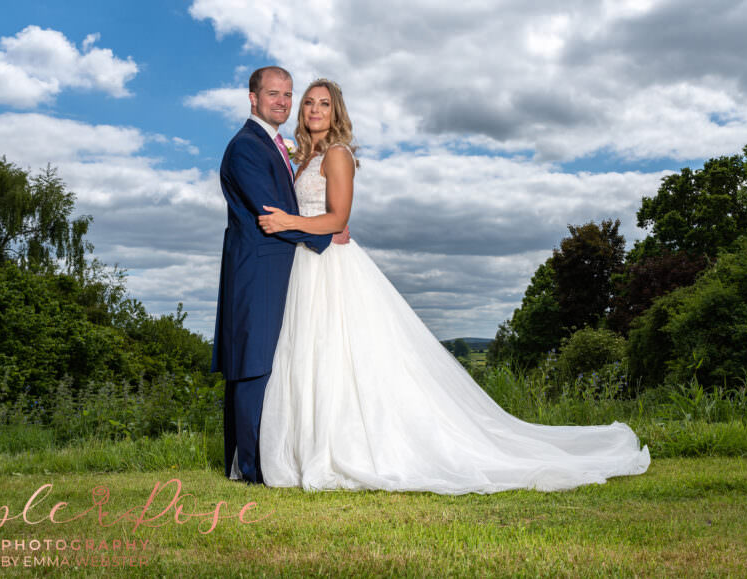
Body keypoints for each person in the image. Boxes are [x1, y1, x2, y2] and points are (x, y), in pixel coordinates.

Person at [256, 78, 650, 494]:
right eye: (309, 104)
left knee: (345, 355)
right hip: (308, 265)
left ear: (337, 113)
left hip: (333, 267)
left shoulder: (337, 155)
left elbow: (337, 219)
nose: (314, 110)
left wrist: (288, 221)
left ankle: (353, 448)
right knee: (315, 355)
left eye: (324, 104)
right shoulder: (303, 158)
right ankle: (316, 445)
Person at [212, 66, 346, 484]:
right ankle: (248, 466)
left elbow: (297, 209)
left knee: (278, 363)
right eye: (275, 95)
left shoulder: (282, 148)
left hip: (286, 267)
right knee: (253, 365)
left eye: (289, 95)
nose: (284, 103)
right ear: (253, 98)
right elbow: (272, 215)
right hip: (261, 269)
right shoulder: (248, 148)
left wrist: (329, 222)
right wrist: (327, 233)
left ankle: (259, 458)